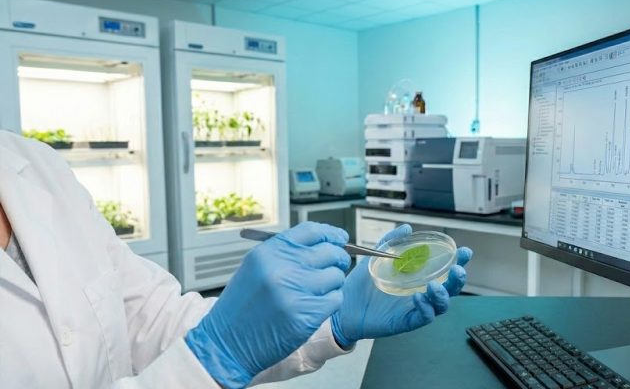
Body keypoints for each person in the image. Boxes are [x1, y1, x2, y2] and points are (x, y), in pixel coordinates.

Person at [0, 130, 472, 388]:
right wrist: (216, 356)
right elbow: (211, 351)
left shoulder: (36, 166)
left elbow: (153, 319)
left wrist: (334, 322)